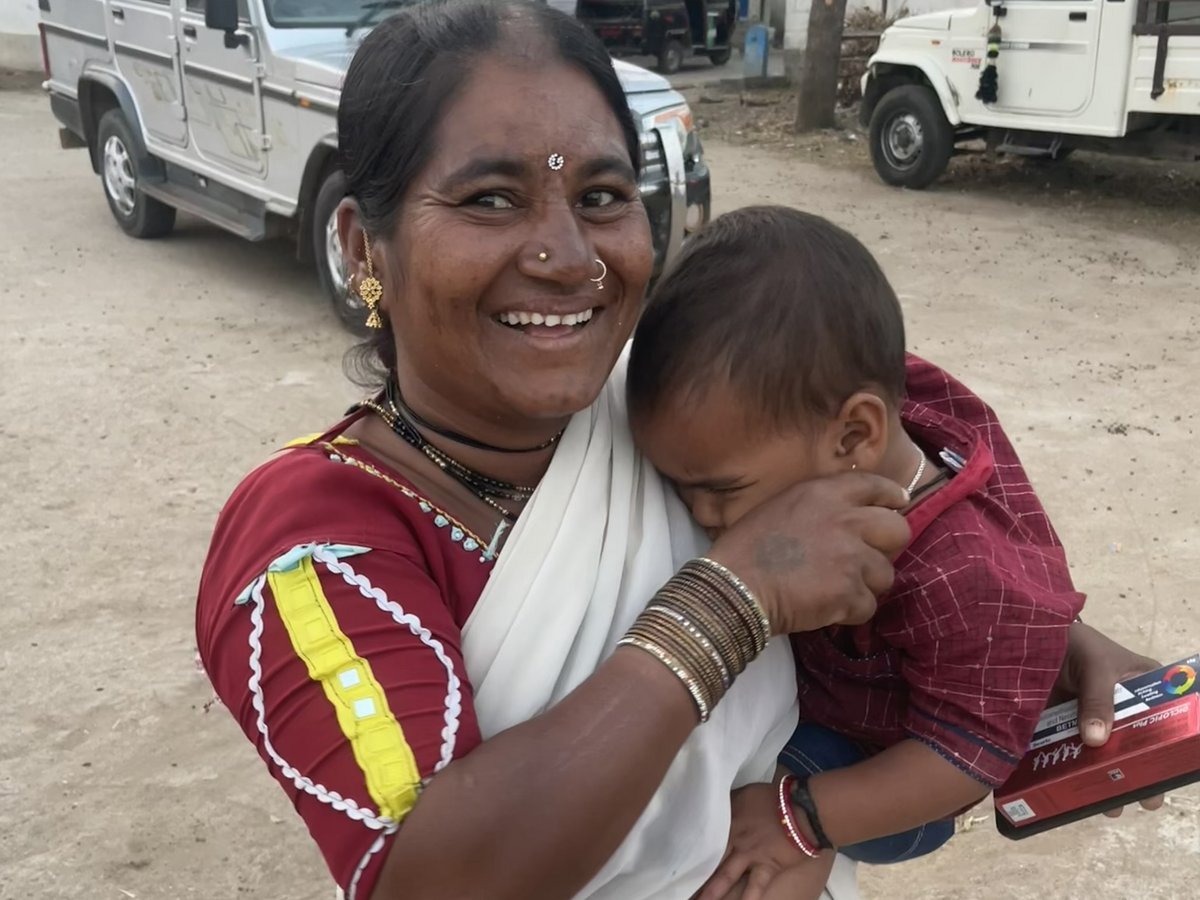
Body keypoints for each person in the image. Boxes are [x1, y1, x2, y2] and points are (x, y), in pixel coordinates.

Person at [194, 4, 1162, 900]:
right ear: (363, 247)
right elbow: (432, 879)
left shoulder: (687, 388)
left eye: (604, 195)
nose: (570, 255)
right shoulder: (312, 545)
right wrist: (731, 599)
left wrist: (1056, 639)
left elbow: (903, 462)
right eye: (492, 198)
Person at [627, 206, 1090, 898]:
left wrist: (803, 816)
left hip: (887, 775)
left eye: (719, 491)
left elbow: (965, 756)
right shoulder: (833, 409)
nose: (702, 517)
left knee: (737, 830)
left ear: (853, 438)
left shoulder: (961, 574)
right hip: (826, 700)